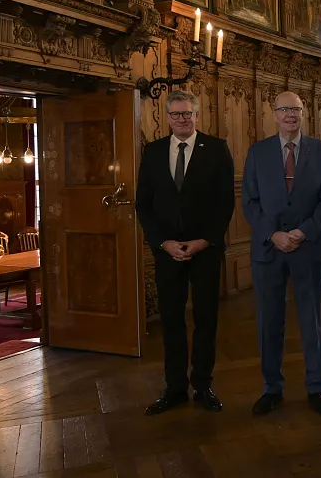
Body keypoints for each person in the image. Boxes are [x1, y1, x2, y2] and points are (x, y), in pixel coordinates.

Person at [135, 89, 234, 416]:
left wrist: (205, 240)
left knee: (206, 318)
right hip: (167, 251)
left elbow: (225, 203)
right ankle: (175, 387)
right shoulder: (153, 151)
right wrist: (162, 242)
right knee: (172, 320)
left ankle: (203, 384)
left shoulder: (216, 149)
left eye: (187, 114)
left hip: (204, 249)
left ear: (196, 115)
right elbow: (144, 205)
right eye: (176, 114)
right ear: (167, 116)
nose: (182, 119)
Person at [242, 91, 321, 416]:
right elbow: (250, 202)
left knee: (311, 321)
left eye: (295, 109)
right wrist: (274, 234)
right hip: (269, 249)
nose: (290, 115)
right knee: (269, 321)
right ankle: (271, 388)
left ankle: (316, 388)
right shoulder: (257, 152)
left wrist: (303, 232)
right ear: (274, 114)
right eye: (284, 110)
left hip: (308, 248)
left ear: (304, 112)